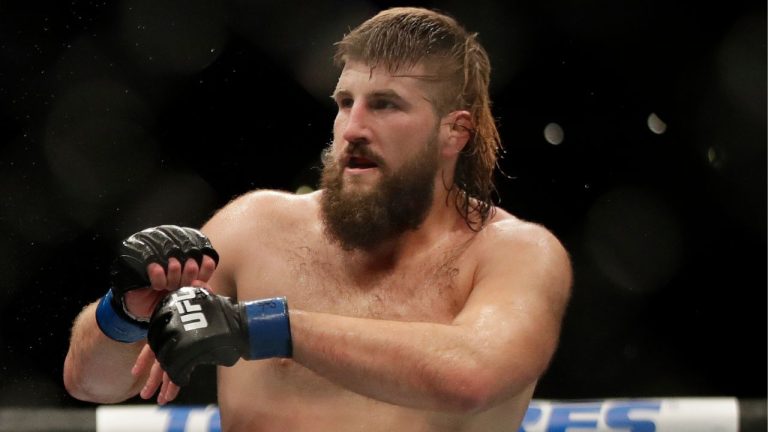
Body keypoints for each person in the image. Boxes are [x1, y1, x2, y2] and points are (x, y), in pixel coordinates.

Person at [63, 6, 572, 431]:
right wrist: (123, 312)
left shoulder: (514, 252)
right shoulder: (254, 227)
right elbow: (92, 384)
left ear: (454, 132)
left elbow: (472, 376)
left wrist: (261, 328)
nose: (352, 128)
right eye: (345, 103)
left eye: (385, 105)